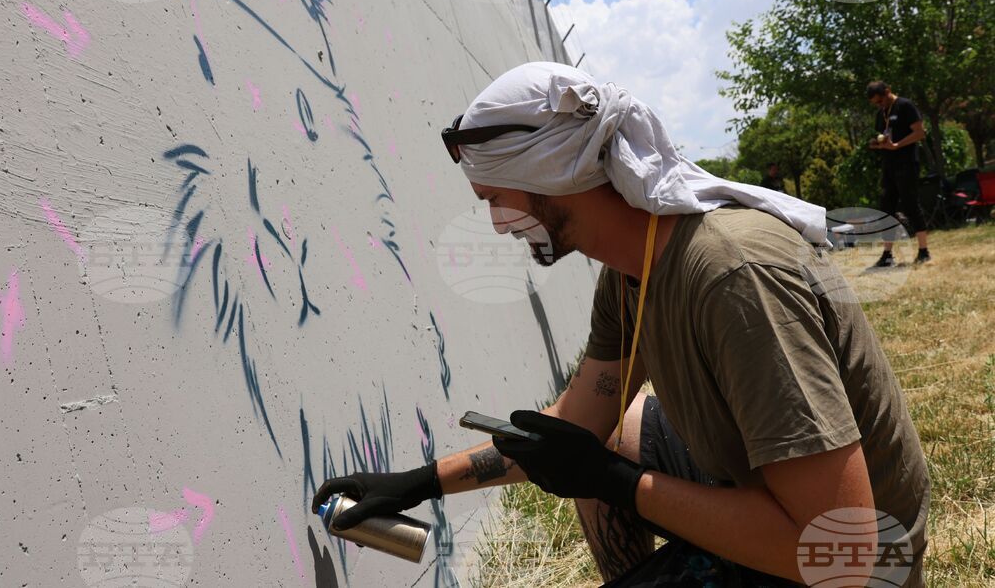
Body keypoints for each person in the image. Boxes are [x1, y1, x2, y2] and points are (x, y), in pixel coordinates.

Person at [313, 63, 930, 587]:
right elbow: (577, 428)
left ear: (552, 178)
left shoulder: (730, 276)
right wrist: (419, 483)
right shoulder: (631, 273)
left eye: (496, 200)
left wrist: (620, 484)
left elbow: (844, 552)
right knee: (613, 435)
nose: (499, 224)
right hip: (789, 512)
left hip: (856, 560)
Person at [866, 81, 931, 265]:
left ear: (888, 92)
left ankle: (924, 250)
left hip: (907, 164)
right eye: (875, 104)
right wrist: (877, 144)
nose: (879, 105)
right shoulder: (881, 114)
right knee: (886, 209)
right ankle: (887, 255)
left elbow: (920, 133)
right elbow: (884, 136)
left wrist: (897, 145)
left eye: (880, 101)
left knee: (910, 204)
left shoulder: (905, 106)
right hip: (889, 166)